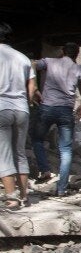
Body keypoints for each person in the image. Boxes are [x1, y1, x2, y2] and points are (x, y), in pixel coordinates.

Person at [32, 42, 81, 196]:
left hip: (47, 107)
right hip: (66, 110)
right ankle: (62, 188)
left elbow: (32, 65)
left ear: (62, 51)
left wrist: (35, 89)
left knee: (37, 139)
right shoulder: (77, 68)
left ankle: (45, 170)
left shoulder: (49, 61)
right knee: (65, 150)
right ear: (76, 54)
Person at [0, 22, 36, 209]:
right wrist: (26, 102)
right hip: (22, 109)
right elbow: (33, 88)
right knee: (20, 153)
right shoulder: (24, 58)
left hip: (1, 108)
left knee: (3, 153)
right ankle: (24, 195)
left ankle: (11, 198)